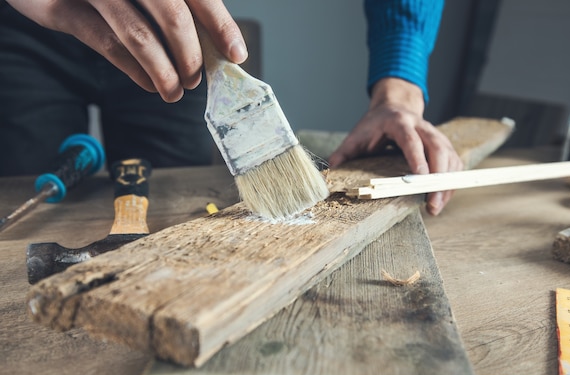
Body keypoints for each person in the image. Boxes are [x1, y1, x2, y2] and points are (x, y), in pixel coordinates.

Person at [0, 0, 462, 216]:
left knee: (174, 207)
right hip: (23, 27)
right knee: (30, 206)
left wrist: (398, 90)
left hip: (176, 31)